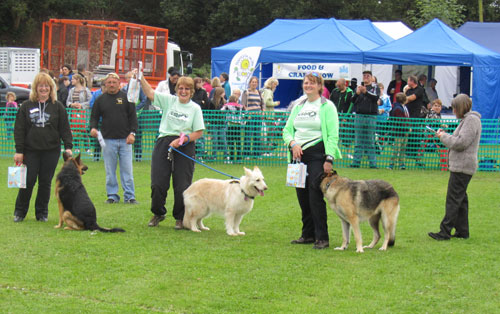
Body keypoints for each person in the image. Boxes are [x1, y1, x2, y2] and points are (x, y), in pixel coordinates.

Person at [283, 72, 342, 250]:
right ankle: (307, 234)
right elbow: (286, 130)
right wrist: (293, 143)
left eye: (312, 83)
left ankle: (322, 236)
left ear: (319, 86)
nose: (308, 86)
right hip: (297, 155)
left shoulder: (327, 106)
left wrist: (329, 158)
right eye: (306, 83)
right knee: (302, 195)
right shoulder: (298, 105)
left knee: (315, 195)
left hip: (318, 153)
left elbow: (333, 134)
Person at [139, 73, 205, 229]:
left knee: (182, 184)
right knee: (158, 182)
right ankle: (158, 213)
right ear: (176, 89)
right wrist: (140, 77)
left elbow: (199, 132)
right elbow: (150, 93)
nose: (183, 91)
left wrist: (183, 140)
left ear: (191, 91)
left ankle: (180, 217)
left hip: (185, 145)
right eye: (180, 88)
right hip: (165, 141)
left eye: (187, 89)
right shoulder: (169, 101)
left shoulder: (195, 108)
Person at [13, 72, 73, 222]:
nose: (44, 88)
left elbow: (64, 128)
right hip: (30, 150)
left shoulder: (57, 107)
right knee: (28, 180)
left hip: (51, 151)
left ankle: (41, 214)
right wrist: (19, 151)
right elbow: (19, 129)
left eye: (46, 86)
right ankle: (20, 212)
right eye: (41, 86)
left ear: (51, 88)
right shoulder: (26, 105)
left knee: (45, 183)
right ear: (36, 88)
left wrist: (68, 146)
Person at [428, 94, 481, 240]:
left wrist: (443, 137)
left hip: (462, 166)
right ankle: (462, 231)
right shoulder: (469, 120)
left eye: (454, 108)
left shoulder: (471, 120)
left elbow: (460, 143)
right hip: (462, 165)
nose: (453, 111)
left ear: (460, 107)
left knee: (453, 199)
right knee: (461, 199)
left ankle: (445, 231)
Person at [89, 72, 138, 204]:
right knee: (110, 170)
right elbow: (93, 117)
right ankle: (112, 195)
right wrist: (93, 128)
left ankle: (130, 196)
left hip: (125, 140)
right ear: (105, 84)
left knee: (127, 170)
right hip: (107, 140)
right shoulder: (100, 100)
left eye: (114, 82)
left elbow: (133, 118)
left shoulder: (126, 98)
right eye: (109, 82)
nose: (111, 85)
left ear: (119, 84)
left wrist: (132, 133)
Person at [351, 71, 380, 168]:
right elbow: (352, 101)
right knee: (358, 141)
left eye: (368, 76)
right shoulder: (358, 88)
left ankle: (373, 163)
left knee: (370, 141)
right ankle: (356, 162)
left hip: (371, 116)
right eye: (364, 76)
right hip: (359, 116)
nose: (366, 77)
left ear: (371, 78)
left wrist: (366, 92)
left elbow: (376, 98)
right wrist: (357, 94)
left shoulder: (375, 87)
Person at [122, 71, 151, 162]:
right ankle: (126, 156)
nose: (131, 79)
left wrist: (135, 108)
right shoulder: (123, 89)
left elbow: (144, 100)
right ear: (126, 79)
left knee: (137, 136)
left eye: (133, 77)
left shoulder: (140, 89)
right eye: (129, 77)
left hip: (137, 116)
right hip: (126, 117)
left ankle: (138, 156)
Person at [241, 76, 263, 157]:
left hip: (258, 115)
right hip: (250, 116)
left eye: (255, 82)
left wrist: (263, 112)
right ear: (250, 83)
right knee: (248, 135)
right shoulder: (246, 92)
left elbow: (262, 103)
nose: (254, 83)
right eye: (252, 82)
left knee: (257, 135)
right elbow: (243, 104)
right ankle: (246, 154)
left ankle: (256, 154)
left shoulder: (259, 92)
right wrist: (247, 113)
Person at [388, 93, 410, 170]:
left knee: (403, 148)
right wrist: (407, 128)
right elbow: (400, 121)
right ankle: (391, 164)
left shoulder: (402, 107)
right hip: (400, 131)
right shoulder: (398, 108)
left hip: (403, 131)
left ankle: (401, 163)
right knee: (397, 148)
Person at [222, 95, 244, 163]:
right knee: (238, 142)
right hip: (237, 126)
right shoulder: (240, 106)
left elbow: (221, 111)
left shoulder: (227, 106)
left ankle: (231, 158)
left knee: (230, 142)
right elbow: (244, 113)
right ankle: (239, 158)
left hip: (230, 125)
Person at [209, 87, 227, 160]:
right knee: (215, 140)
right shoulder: (212, 102)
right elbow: (210, 112)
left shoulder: (224, 102)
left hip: (222, 123)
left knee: (223, 139)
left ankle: (226, 155)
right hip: (214, 123)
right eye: (223, 92)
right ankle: (214, 155)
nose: (224, 94)